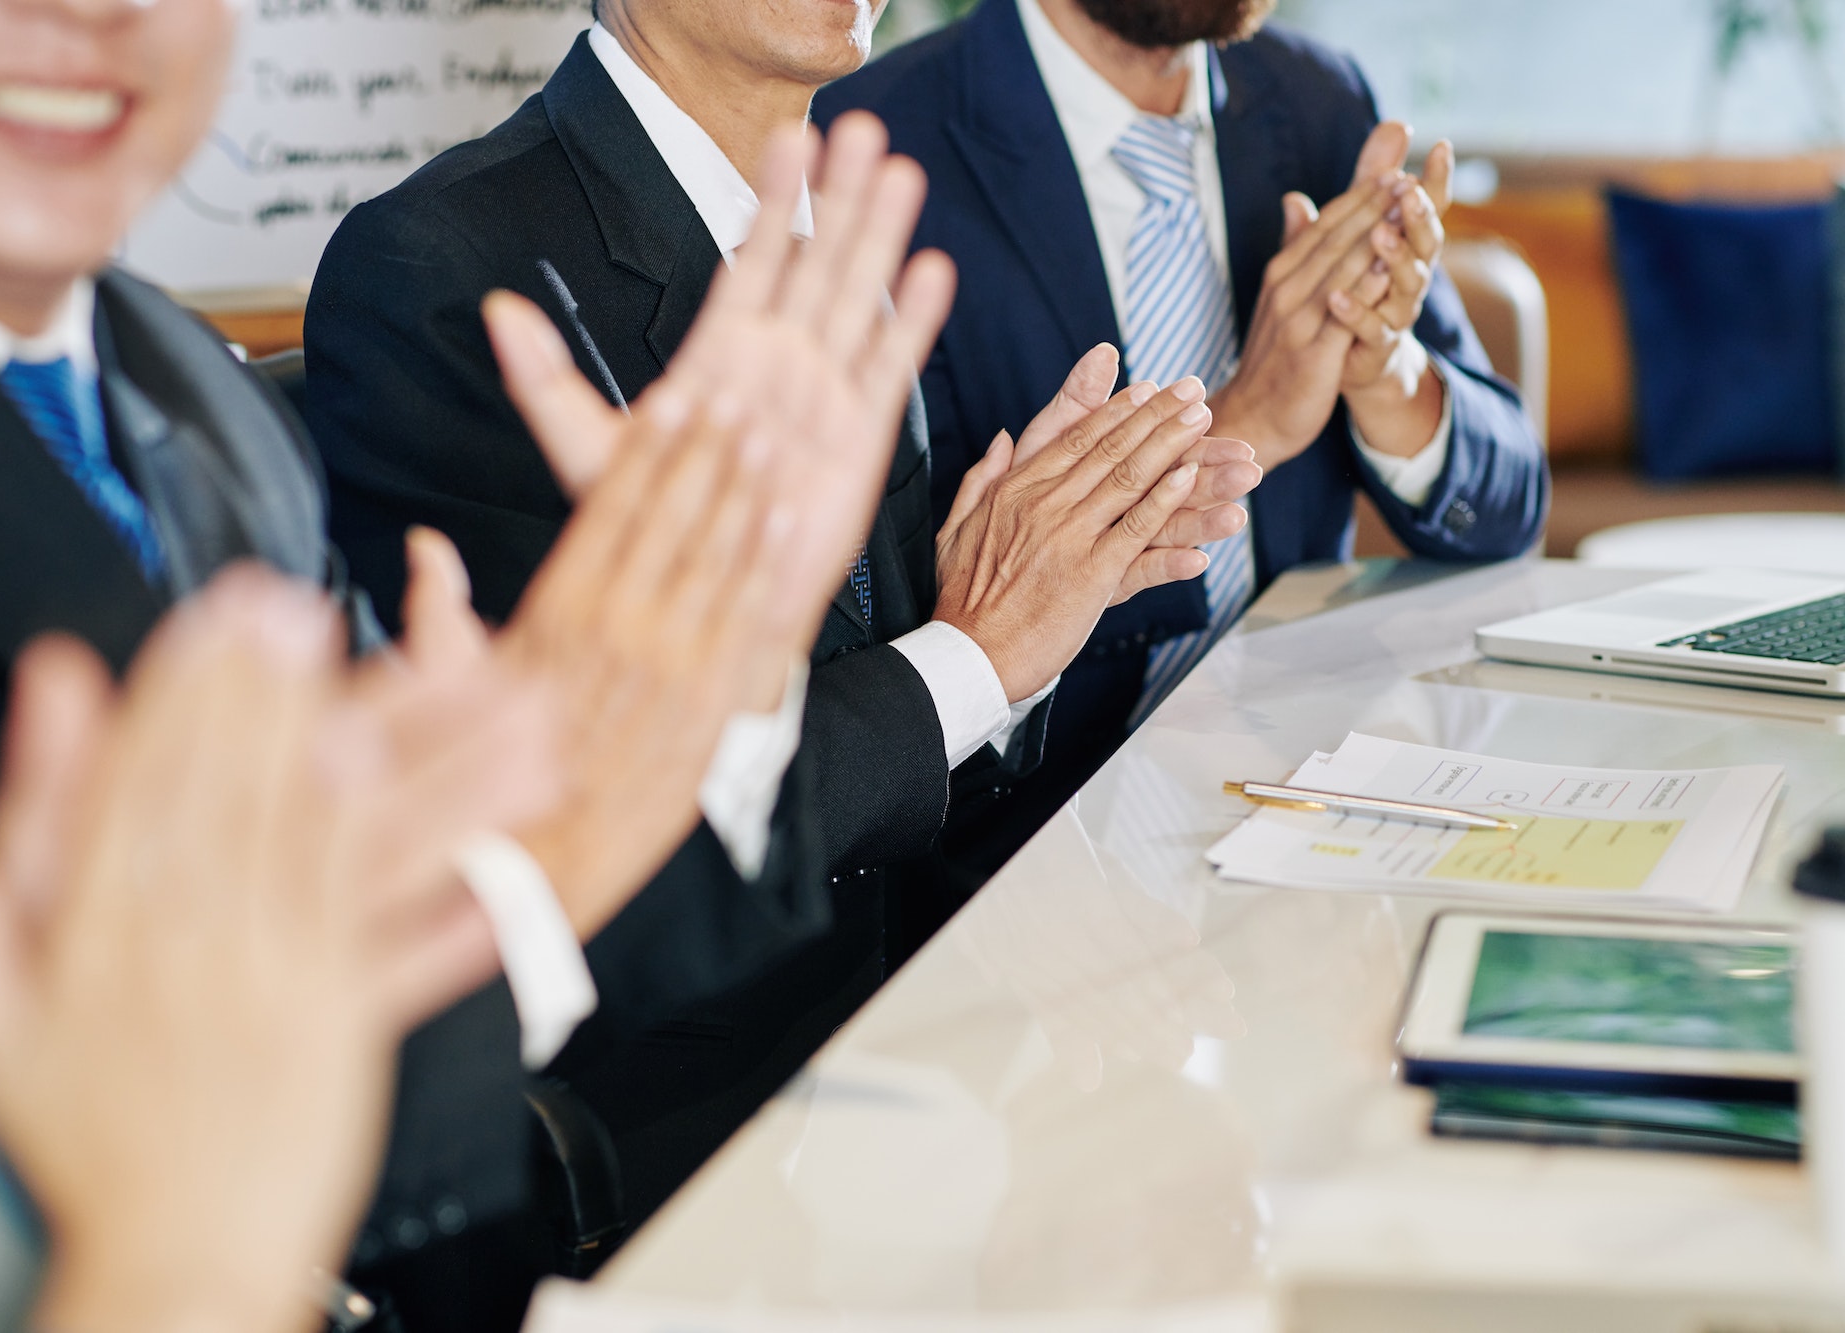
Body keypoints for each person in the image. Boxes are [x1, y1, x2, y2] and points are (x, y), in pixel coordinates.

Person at [0, 0, 963, 1321]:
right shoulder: (420, 270)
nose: (92, 16)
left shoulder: (189, 390)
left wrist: (699, 672)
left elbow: (409, 947)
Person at [300, 0, 1265, 1256]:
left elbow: (890, 710)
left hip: (926, 1057)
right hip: (682, 1141)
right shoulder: (443, 270)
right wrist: (975, 654)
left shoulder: (828, 241)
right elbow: (602, 837)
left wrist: (1018, 615)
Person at [816, 0, 1551, 832]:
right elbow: (908, 648)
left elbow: (1509, 510)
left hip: (1322, 783)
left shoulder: (1320, 100)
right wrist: (1247, 424)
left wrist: (1387, 369)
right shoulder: (868, 141)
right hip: (1035, 833)